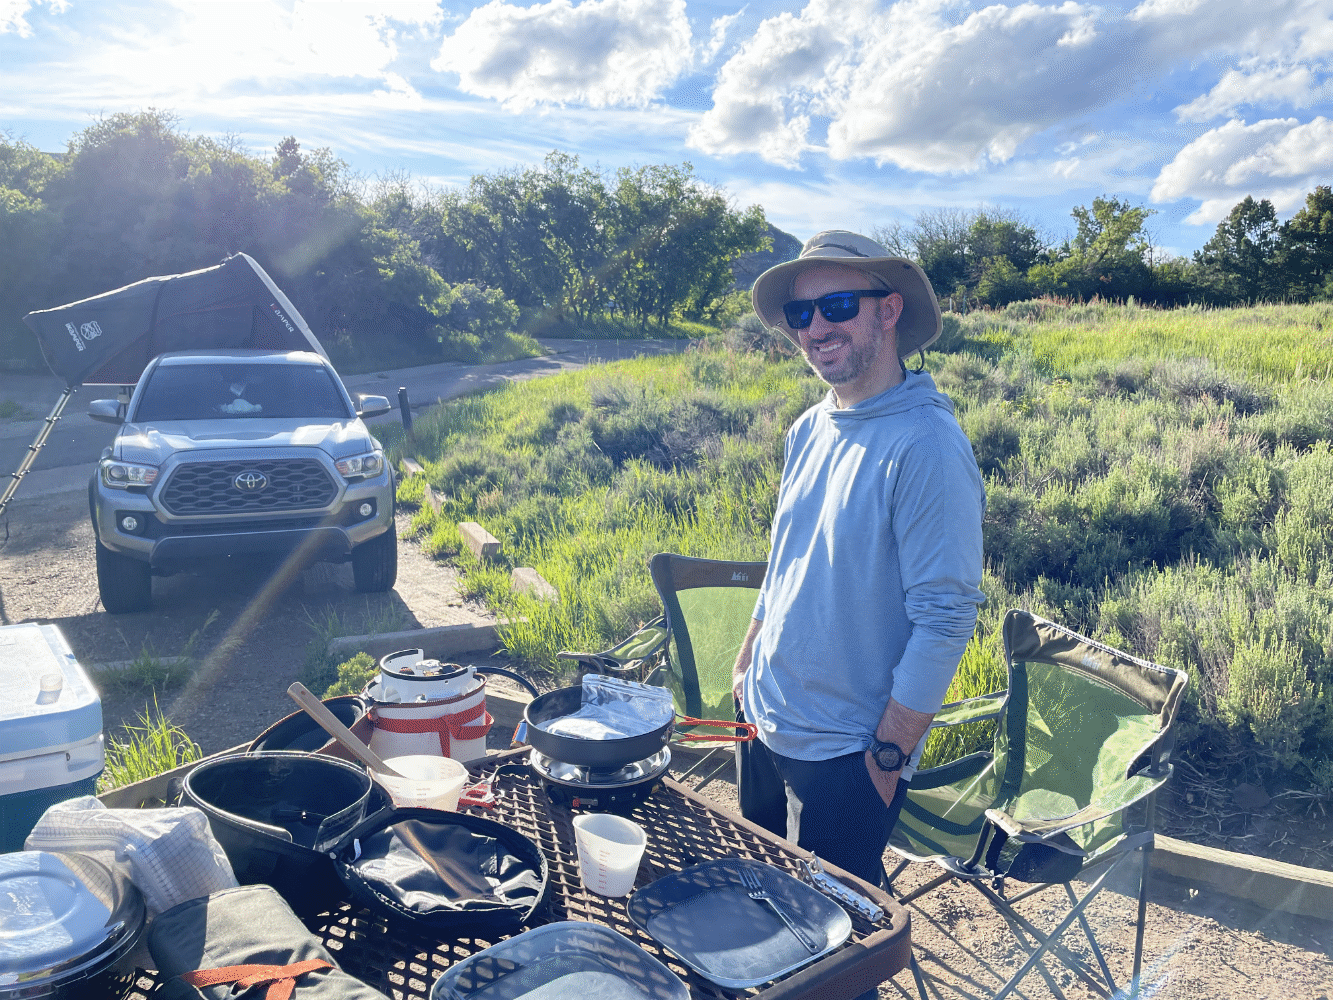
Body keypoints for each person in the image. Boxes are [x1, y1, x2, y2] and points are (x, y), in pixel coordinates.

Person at [734, 230, 986, 901]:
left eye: (837, 305)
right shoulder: (807, 427)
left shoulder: (925, 443)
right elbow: (786, 558)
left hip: (847, 755)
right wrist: (744, 662)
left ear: (888, 309)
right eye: (800, 313)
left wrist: (885, 760)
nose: (815, 327)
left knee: (833, 949)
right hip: (763, 718)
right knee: (762, 906)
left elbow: (945, 619)